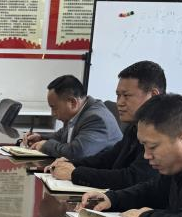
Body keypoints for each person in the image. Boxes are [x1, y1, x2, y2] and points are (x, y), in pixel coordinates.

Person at [45, 61, 166, 190]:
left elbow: (132, 178)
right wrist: (71, 164)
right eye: (118, 95)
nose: (120, 102)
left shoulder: (163, 131)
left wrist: (75, 173)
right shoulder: (134, 127)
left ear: (153, 95)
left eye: (126, 95)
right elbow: (108, 159)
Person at [19, 74, 121, 160]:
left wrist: (45, 145)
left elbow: (76, 153)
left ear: (72, 102)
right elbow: (62, 135)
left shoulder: (96, 119)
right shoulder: (81, 111)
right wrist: (40, 137)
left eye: (54, 108)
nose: (52, 114)